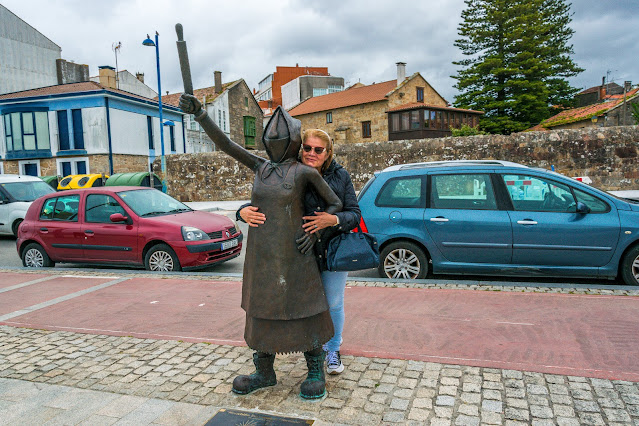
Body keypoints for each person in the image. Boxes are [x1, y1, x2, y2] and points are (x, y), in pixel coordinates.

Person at [179, 96, 342, 400]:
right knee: (261, 307)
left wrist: (316, 231)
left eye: (282, 137)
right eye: (272, 137)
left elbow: (335, 203)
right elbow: (227, 145)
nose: (276, 141)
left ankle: (315, 369)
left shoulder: (304, 172)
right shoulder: (261, 167)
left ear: (292, 141)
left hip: (296, 252)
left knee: (303, 306)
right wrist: (200, 114)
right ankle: (264, 371)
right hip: (262, 253)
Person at [238, 128, 361, 375]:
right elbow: (267, 201)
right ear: (299, 148)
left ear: (328, 153)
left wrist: (331, 221)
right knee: (297, 303)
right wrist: (241, 211)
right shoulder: (287, 171)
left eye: (318, 150)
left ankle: (333, 349)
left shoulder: (339, 176)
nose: (312, 153)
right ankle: (290, 353)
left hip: (328, 250)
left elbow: (353, 214)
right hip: (298, 253)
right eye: (307, 148)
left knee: (332, 303)